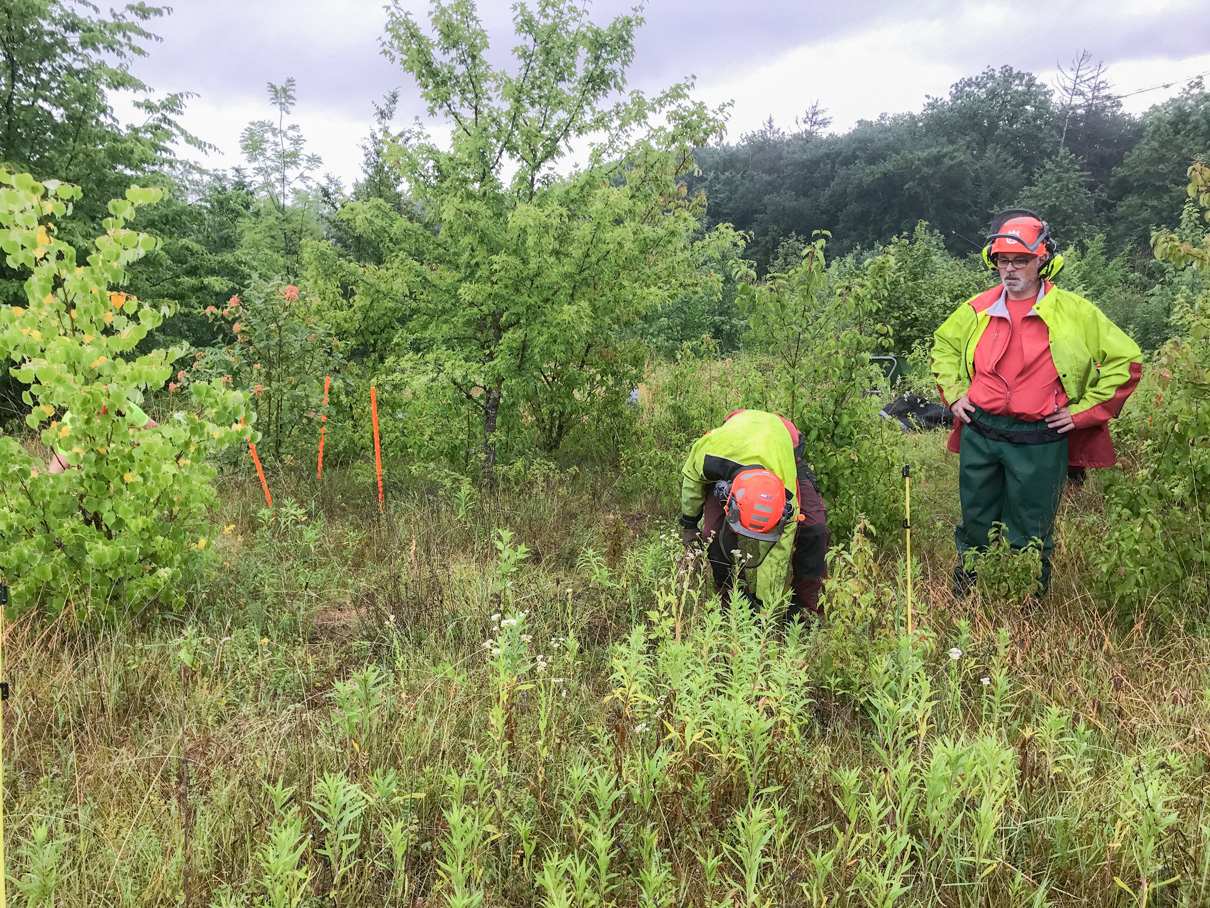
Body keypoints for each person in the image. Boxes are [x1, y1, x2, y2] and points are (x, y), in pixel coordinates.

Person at [931, 209, 1141, 596]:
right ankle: (968, 593)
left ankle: (1026, 598)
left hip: (1040, 436)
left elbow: (1126, 362)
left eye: (1021, 260)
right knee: (976, 518)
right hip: (981, 430)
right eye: (1003, 261)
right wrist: (955, 392)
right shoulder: (978, 307)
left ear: (1042, 259)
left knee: (1031, 524)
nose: (1010, 270)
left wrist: (1082, 413)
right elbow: (943, 346)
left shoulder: (1074, 311)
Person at [679, 408, 829, 620]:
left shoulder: (787, 491)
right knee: (713, 533)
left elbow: (778, 549)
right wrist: (689, 525)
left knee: (815, 528)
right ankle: (733, 602)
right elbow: (691, 480)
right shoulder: (709, 455)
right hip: (734, 442)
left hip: (785, 444)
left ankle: (805, 614)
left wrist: (765, 606)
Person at [48, 391, 157, 473]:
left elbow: (156, 431)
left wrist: (141, 449)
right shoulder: (72, 420)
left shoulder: (127, 409)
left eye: (105, 416)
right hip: (86, 475)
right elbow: (58, 466)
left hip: (125, 470)